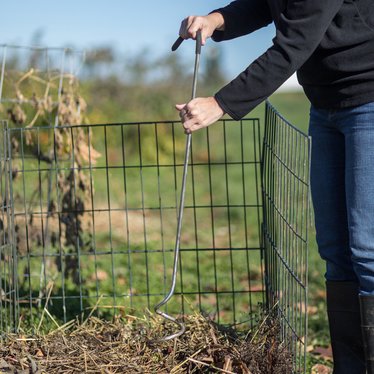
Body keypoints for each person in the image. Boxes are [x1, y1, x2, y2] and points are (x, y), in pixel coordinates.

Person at [176, 1, 374, 373]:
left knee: (367, 251)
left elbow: (293, 44)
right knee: (335, 250)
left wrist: (220, 103)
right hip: (325, 102)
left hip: (369, 97)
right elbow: (262, 3)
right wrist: (215, 20)